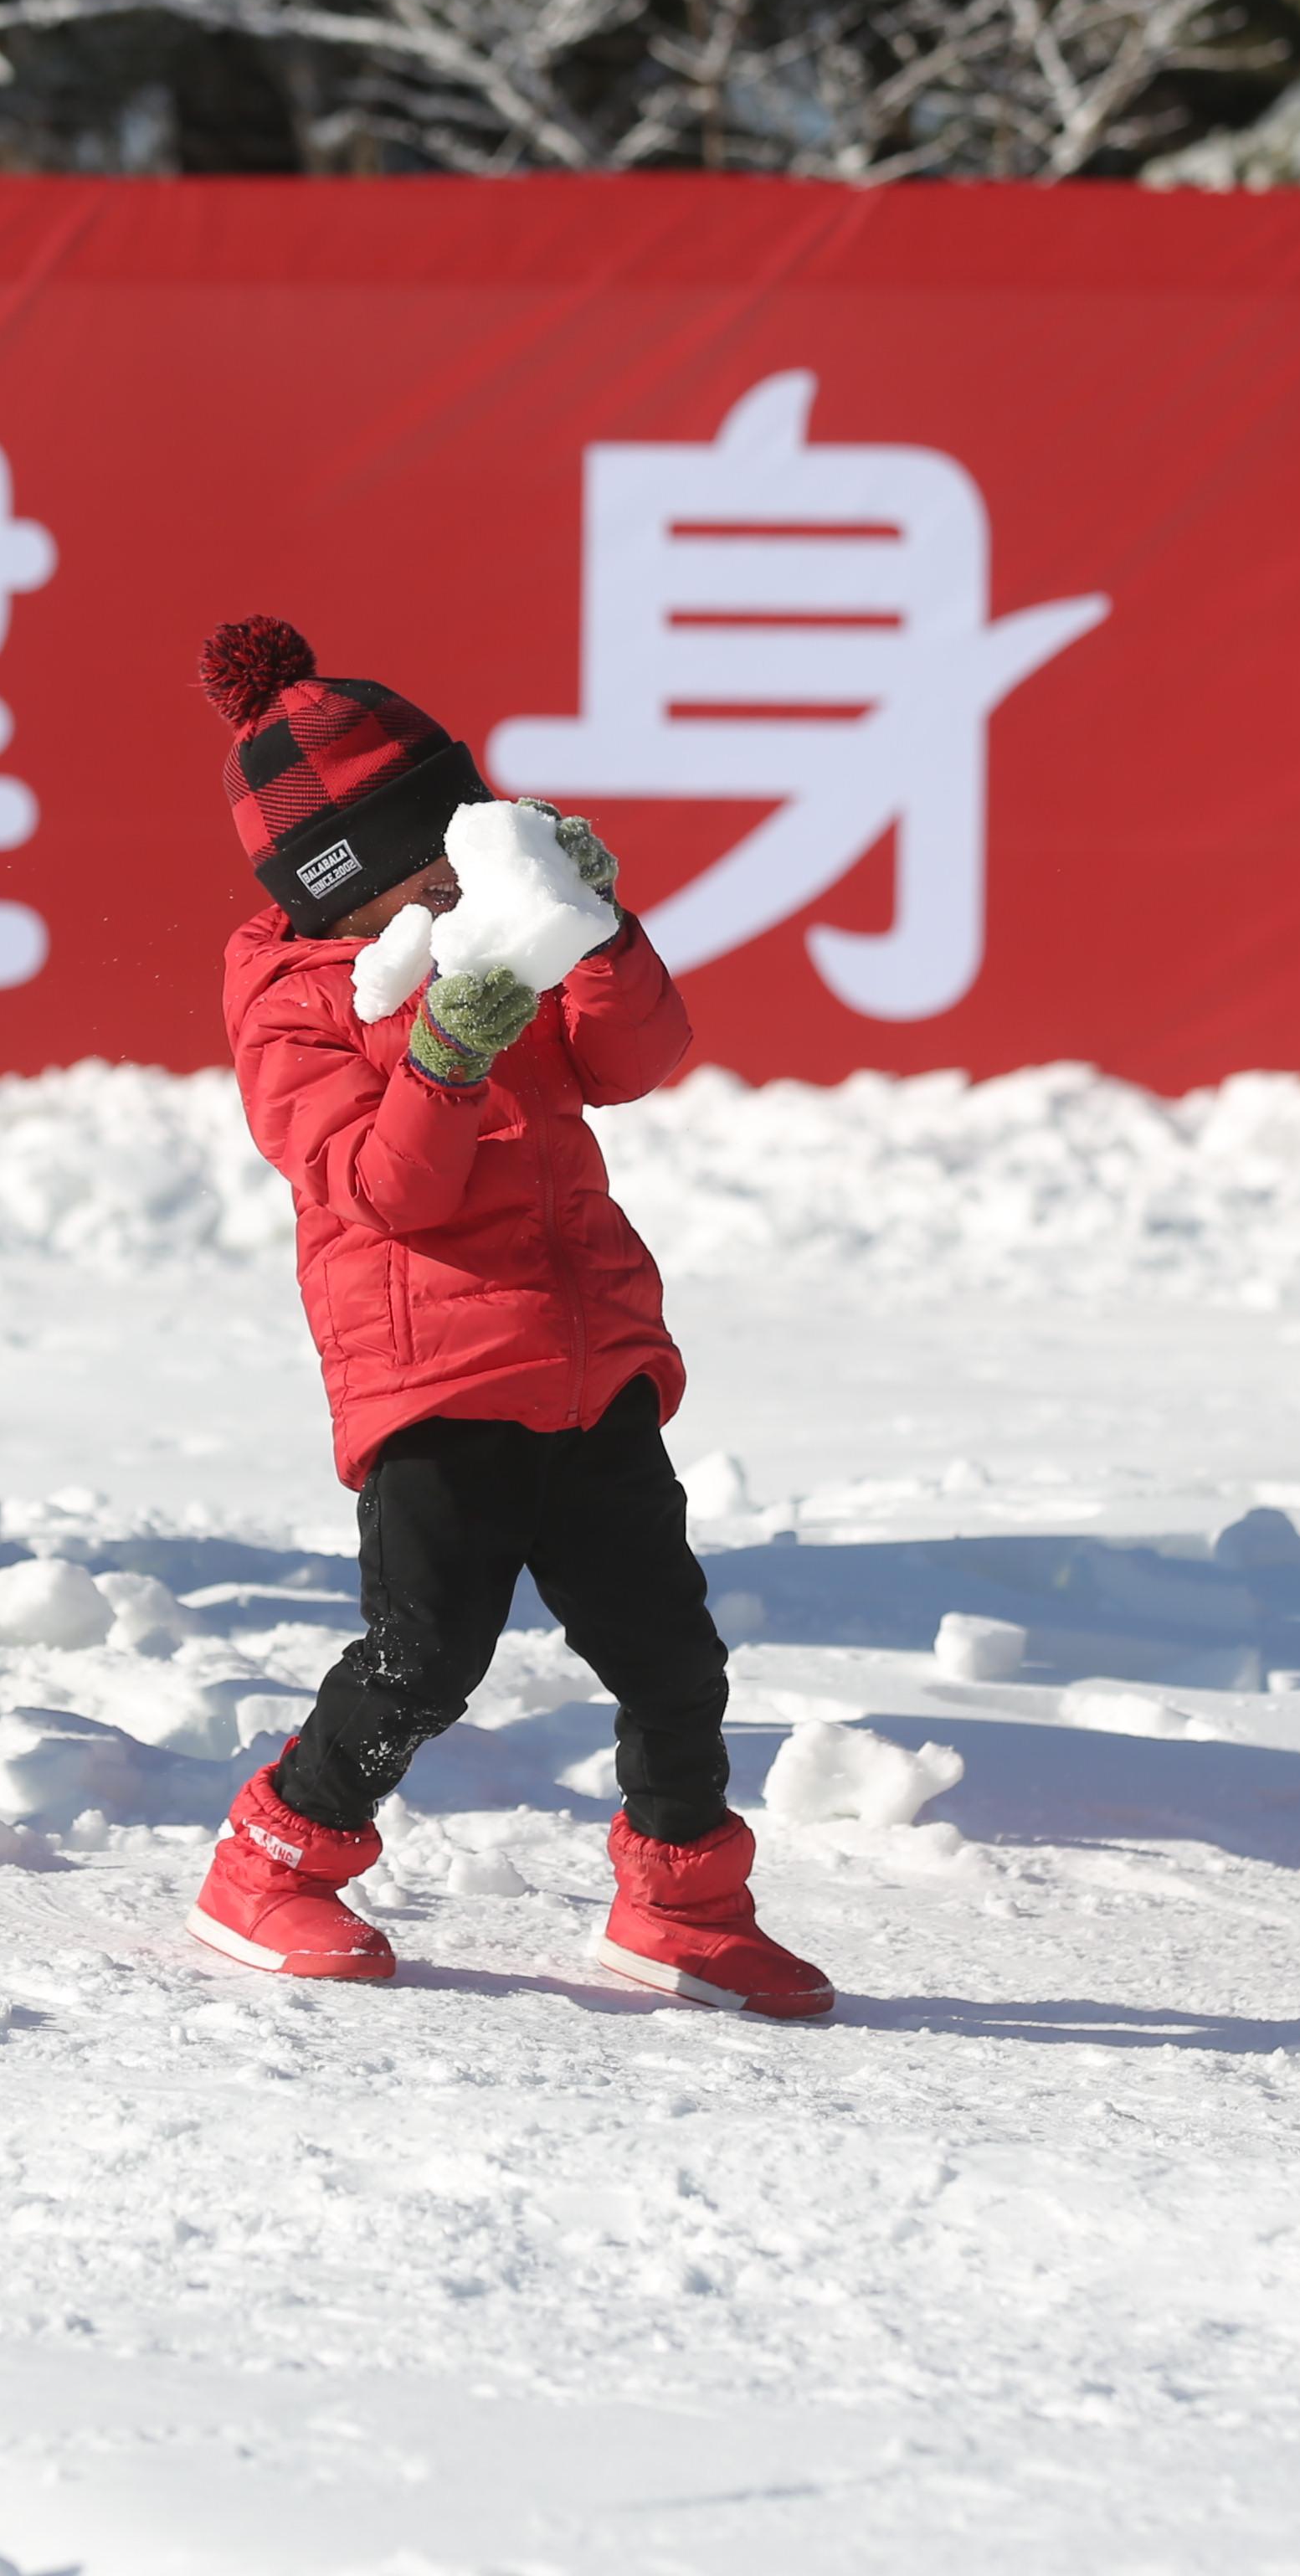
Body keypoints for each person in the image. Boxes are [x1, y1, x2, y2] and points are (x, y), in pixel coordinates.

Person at [186, 617, 830, 2018]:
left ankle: (684, 1903)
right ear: (331, 894)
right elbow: (384, 1188)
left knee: (673, 1654)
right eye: (409, 871)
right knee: (426, 1658)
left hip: (587, 1357)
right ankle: (273, 1860)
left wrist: (596, 927)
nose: (443, 885)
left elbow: (634, 1057)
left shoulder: (486, 930)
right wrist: (448, 1049)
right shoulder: (293, 1003)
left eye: (454, 850)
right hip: (435, 1379)